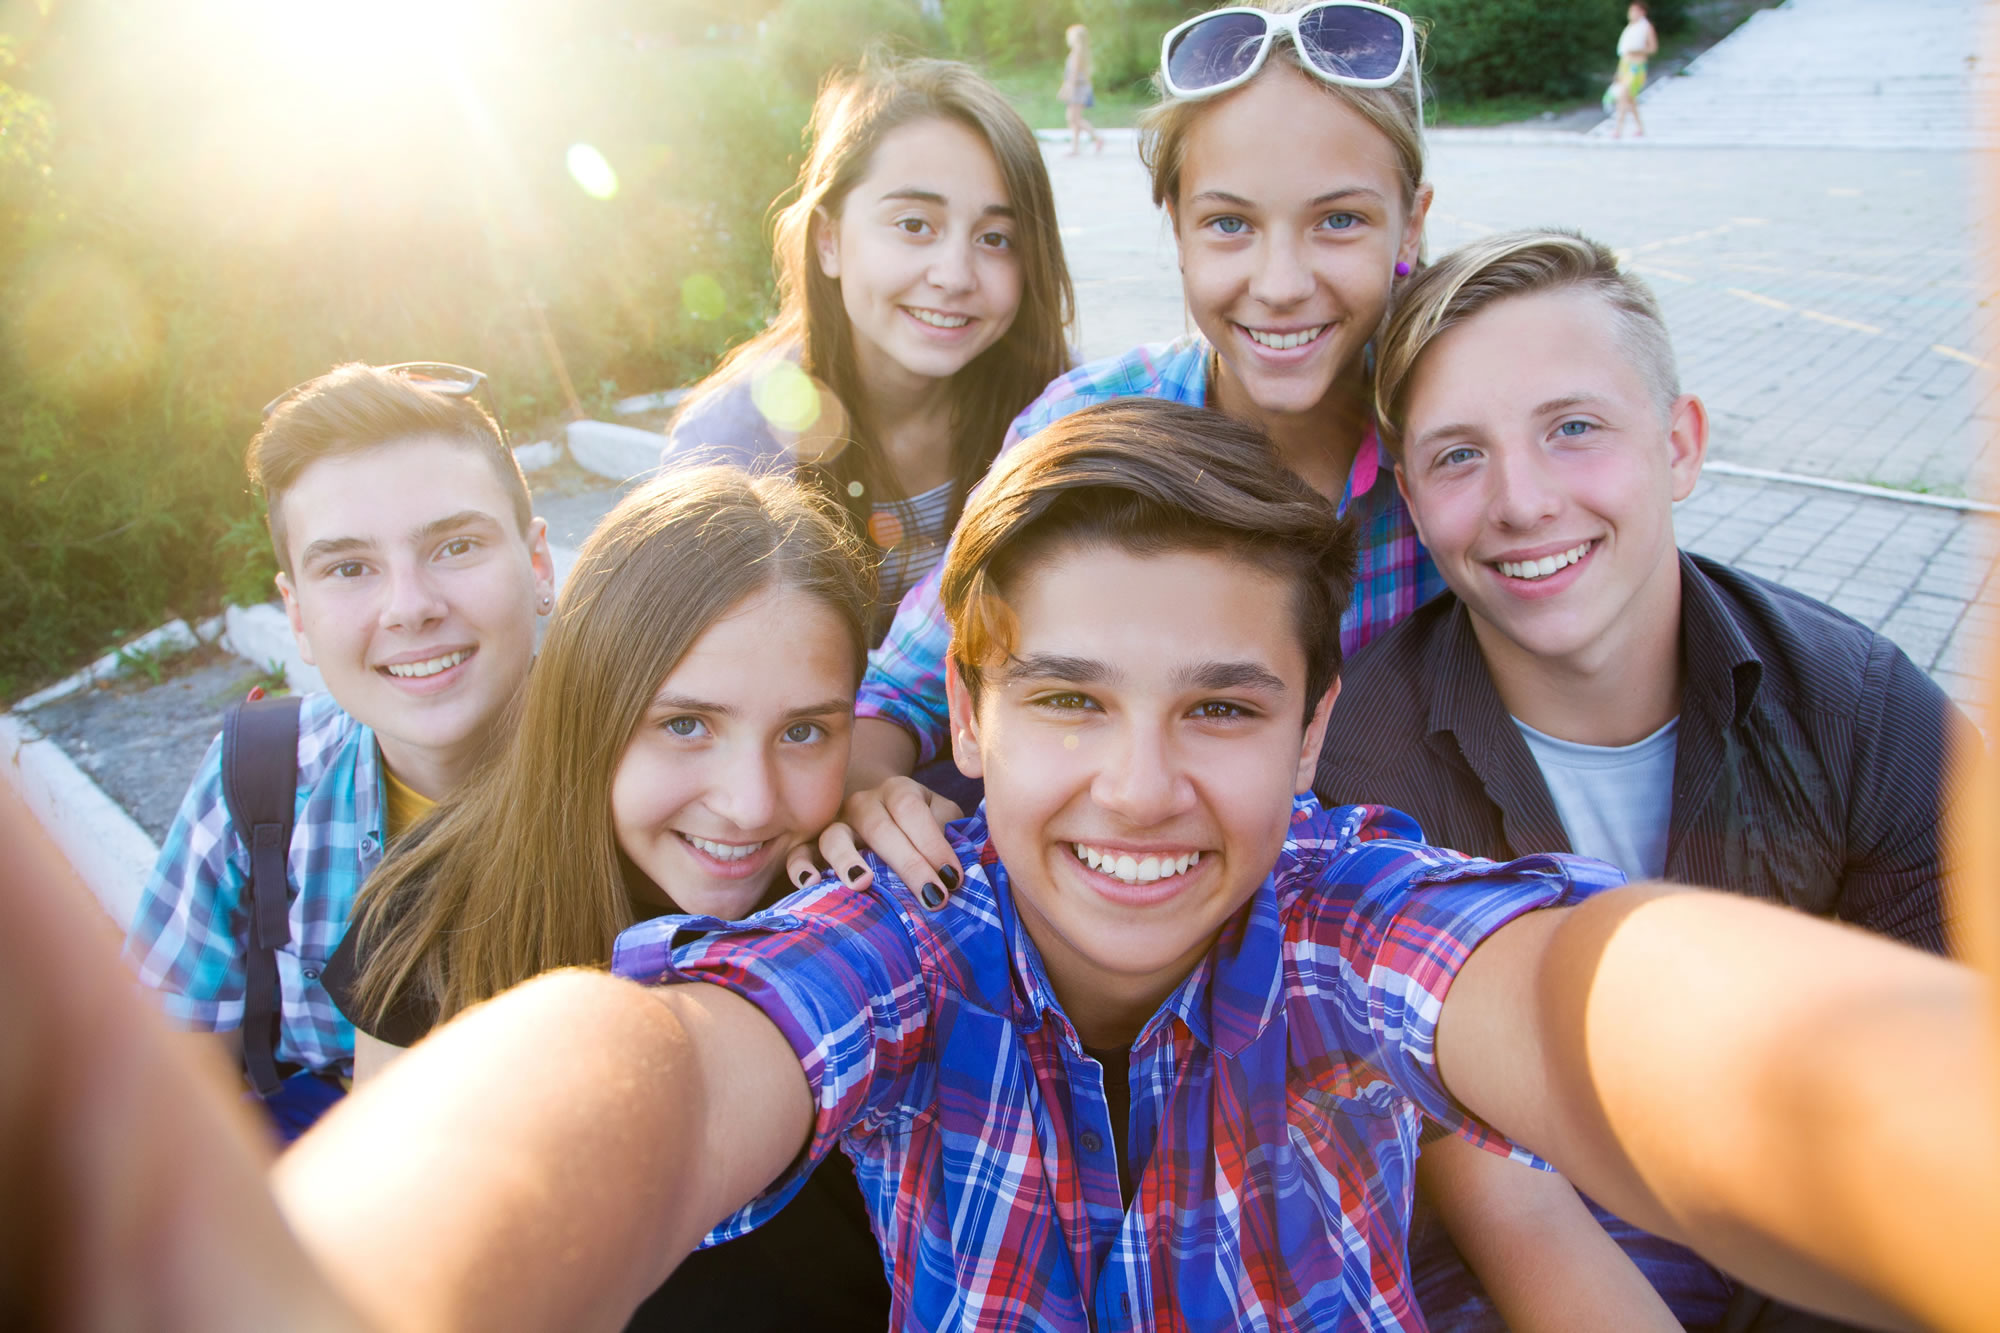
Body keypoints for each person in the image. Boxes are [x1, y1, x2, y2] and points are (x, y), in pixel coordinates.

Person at [3, 403, 1997, 1332]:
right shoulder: (886, 935)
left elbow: (1586, 1004)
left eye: (1221, 708)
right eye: (1066, 700)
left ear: (1314, 738)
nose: (1137, 791)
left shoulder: (1350, 911)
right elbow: (649, 1070)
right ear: (960, 713)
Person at [1317, 228, 1980, 1330]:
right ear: (1411, 498)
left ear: (1678, 444)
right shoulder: (1360, 765)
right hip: (1526, 1257)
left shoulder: (1863, 710)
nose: (1521, 500)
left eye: (1572, 430)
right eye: (1456, 455)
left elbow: (1949, 1082)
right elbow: (1483, 1187)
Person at [838, 0, 1446, 899]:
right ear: (1175, 223)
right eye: (1229, 224)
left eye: (1340, 221)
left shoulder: (1455, 448)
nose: (1280, 284)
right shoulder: (1088, 421)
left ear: (1413, 221)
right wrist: (867, 789)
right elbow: (902, 691)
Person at [318, 467, 891, 1331]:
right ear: (590, 704)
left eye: (803, 731)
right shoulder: (436, 912)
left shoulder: (867, 903)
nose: (749, 801)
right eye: (685, 724)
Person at [121, 362, 555, 1138]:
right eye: (349, 568)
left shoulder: (659, 768)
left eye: (455, 546)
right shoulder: (257, 784)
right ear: (296, 613)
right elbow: (164, 1114)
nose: (411, 607)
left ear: (537, 564)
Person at [660, 54, 1075, 639]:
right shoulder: (727, 449)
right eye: (914, 225)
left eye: (996, 238)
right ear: (828, 240)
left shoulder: (1065, 418)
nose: (955, 275)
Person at [1605, 2, 1657, 139]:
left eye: (1635, 11)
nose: (1632, 13)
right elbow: (1623, 53)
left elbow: (1652, 48)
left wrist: (1638, 50)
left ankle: (1618, 129)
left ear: (1642, 12)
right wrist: (1618, 71)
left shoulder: (1646, 27)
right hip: (1625, 65)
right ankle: (1639, 128)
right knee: (1630, 99)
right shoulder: (1630, 28)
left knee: (1623, 96)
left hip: (1637, 66)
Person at [1058, 23, 1104, 155]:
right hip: (1079, 87)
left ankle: (1097, 138)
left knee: (1074, 118)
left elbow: (1073, 75)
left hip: (1078, 88)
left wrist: (1068, 90)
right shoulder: (1080, 52)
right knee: (1073, 118)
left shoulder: (1077, 53)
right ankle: (1075, 148)